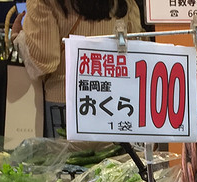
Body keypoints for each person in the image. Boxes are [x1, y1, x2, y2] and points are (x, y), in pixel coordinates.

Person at [17, 0, 142, 137]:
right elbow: (134, 47)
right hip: (114, 100)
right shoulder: (127, 2)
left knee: (66, 157)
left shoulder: (44, 2)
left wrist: (18, 39)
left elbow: (44, 61)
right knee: (113, 156)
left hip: (64, 101)